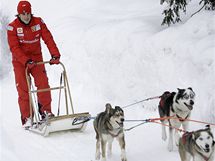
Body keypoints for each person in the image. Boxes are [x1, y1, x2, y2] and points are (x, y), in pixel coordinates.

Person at [7, 0, 61, 128]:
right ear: (18, 14)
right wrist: (25, 60)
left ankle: (46, 112)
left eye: (28, 13)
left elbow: (48, 38)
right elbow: (14, 47)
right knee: (23, 90)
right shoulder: (12, 27)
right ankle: (27, 118)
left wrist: (55, 54)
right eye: (23, 14)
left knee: (43, 85)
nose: (26, 16)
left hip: (36, 59)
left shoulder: (38, 22)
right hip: (20, 62)